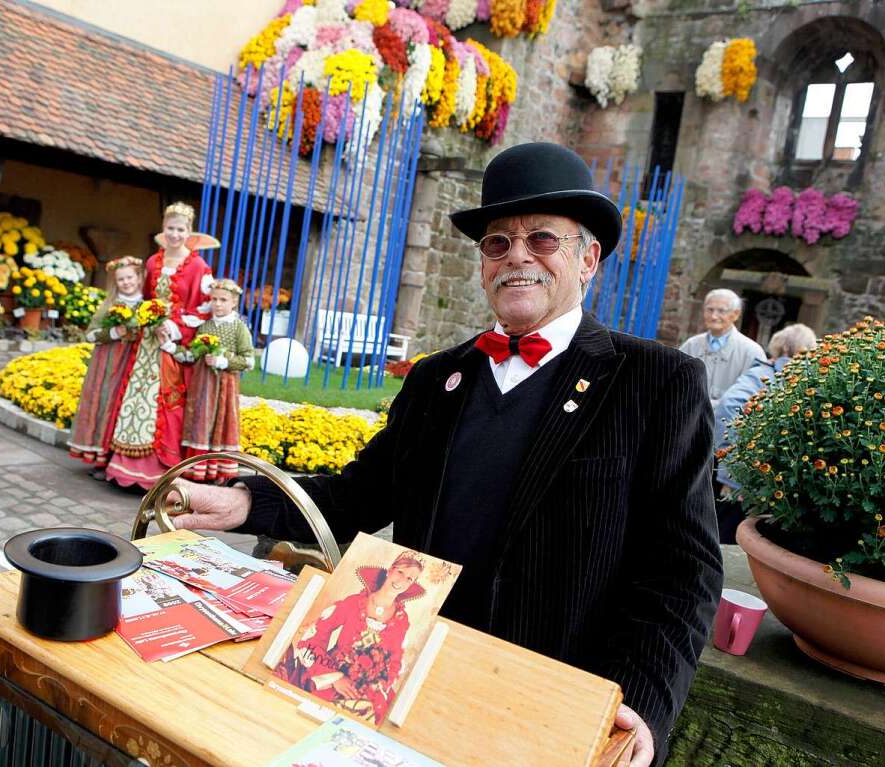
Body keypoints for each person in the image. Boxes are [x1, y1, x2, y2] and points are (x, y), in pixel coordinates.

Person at [170, 143, 722, 767]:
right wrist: (243, 499)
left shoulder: (657, 382)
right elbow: (359, 494)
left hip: (548, 705)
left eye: (541, 239)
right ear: (483, 264)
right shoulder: (439, 378)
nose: (517, 257)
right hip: (405, 681)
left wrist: (641, 705)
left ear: (586, 258)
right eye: (497, 243)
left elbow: (683, 572)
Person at [106, 202, 214, 489]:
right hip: (147, 341)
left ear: (189, 231)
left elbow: (202, 308)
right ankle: (124, 467)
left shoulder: (199, 267)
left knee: (165, 401)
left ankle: (158, 470)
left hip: (171, 342)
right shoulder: (153, 261)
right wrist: (146, 318)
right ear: (163, 229)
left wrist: (175, 328)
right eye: (170, 228)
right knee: (136, 396)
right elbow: (143, 297)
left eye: (181, 229)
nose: (175, 234)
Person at [281, 551, 424, 725]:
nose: (402, 580)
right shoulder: (354, 603)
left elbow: (395, 660)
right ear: (390, 570)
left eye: (410, 579)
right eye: (400, 572)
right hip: (333, 674)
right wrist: (335, 677)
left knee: (372, 716)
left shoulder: (401, 620)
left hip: (369, 686)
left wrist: (376, 684)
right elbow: (312, 638)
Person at [713, 323, 817, 543]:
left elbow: (728, 407)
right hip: (749, 481)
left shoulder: (769, 374)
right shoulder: (771, 376)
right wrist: (735, 471)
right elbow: (731, 406)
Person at [67, 256, 145, 478]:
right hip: (108, 364)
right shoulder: (110, 305)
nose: (126, 282)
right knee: (106, 405)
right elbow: (90, 334)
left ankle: (121, 460)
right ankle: (101, 458)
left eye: (130, 277)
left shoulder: (145, 305)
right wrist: (113, 333)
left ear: (139, 277)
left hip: (134, 363)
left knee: (125, 409)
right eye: (121, 279)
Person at [178, 278, 255, 483]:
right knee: (201, 421)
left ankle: (220, 471)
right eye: (214, 299)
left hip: (225, 386)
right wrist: (172, 349)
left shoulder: (238, 328)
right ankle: (198, 469)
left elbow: (249, 361)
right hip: (202, 385)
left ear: (234, 303)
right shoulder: (205, 326)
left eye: (223, 300)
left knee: (222, 422)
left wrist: (223, 360)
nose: (218, 304)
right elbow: (193, 354)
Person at [679, 289, 765, 408]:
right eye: (710, 309)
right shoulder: (691, 345)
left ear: (735, 314)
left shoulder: (752, 352)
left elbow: (755, 396)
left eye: (721, 311)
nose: (714, 316)